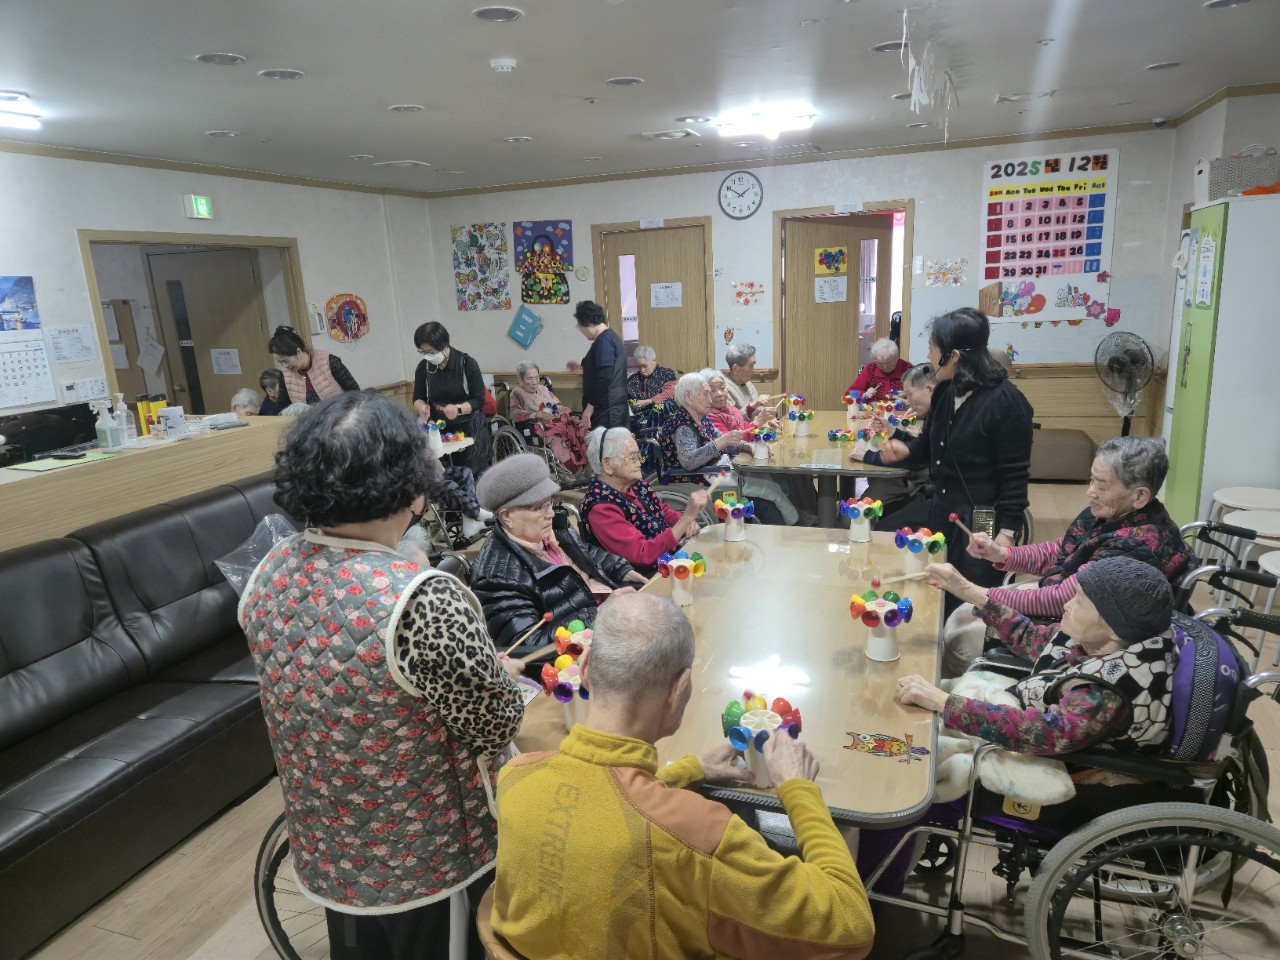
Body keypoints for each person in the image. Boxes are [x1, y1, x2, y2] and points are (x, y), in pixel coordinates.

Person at [238, 391, 524, 960]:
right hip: (425, 852)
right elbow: (495, 723)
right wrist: (495, 672)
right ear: (412, 489)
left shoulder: (270, 569)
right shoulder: (422, 597)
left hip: (327, 837)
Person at [491, 592, 876, 959]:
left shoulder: (516, 778)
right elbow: (850, 924)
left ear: (586, 668)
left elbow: (605, 803)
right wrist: (799, 789)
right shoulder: (698, 835)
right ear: (680, 689)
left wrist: (689, 770)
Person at [859, 555, 1179, 900]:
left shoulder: (1104, 694)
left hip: (1055, 767)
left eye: (1080, 601)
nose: (1066, 604)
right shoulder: (1109, 644)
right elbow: (1033, 638)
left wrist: (944, 703)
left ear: (1113, 626)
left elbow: (1040, 734)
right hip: (1030, 719)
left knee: (897, 791)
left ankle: (872, 896)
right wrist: (967, 591)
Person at [942, 436, 1196, 675]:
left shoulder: (1136, 547)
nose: (1090, 491)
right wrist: (1002, 553)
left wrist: (972, 591)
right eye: (1092, 479)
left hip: (1083, 632)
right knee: (962, 615)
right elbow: (1061, 550)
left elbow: (1063, 599)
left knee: (959, 639)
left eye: (1102, 484)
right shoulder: (1110, 513)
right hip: (1068, 604)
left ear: (1139, 496)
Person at [849, 308, 1034, 615]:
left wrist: (1007, 533)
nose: (929, 356)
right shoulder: (947, 390)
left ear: (954, 356)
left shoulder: (1007, 403)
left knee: (971, 601)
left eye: (932, 348)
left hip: (982, 517)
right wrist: (905, 450)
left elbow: (1015, 476)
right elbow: (928, 447)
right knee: (937, 587)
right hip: (943, 508)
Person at [470, 453, 647, 664]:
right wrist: (598, 616)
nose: (551, 513)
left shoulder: (550, 530)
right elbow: (527, 646)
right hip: (579, 658)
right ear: (507, 516)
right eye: (539, 507)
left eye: (550, 501)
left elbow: (585, 552)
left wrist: (621, 568)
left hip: (609, 625)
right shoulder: (497, 576)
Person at [579, 426, 710, 570]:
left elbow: (662, 511)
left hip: (671, 558)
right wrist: (686, 519)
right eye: (632, 458)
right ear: (607, 464)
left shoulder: (635, 485)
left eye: (638, 456)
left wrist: (684, 523)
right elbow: (642, 553)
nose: (639, 463)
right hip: (648, 575)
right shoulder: (600, 507)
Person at [700, 368, 800, 525]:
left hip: (743, 463)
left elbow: (744, 427)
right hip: (731, 468)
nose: (719, 394)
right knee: (774, 488)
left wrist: (762, 425)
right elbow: (731, 441)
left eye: (722, 388)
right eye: (713, 390)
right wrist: (758, 423)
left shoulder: (730, 408)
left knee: (783, 479)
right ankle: (794, 525)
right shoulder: (710, 415)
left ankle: (796, 520)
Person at [411, 321, 490, 473]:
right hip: (440, 431)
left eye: (431, 352)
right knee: (445, 475)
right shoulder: (424, 367)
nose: (428, 356)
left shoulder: (467, 364)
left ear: (444, 345)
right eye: (423, 352)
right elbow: (417, 397)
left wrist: (458, 409)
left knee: (471, 474)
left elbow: (479, 400)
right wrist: (421, 406)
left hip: (469, 429)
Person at [509, 360, 588, 475]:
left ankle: (585, 464)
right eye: (530, 379)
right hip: (538, 426)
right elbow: (514, 414)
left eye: (537, 378)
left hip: (557, 420)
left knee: (581, 428)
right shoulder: (517, 393)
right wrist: (536, 414)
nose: (534, 382)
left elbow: (557, 405)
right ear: (520, 380)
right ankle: (572, 469)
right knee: (557, 437)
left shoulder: (544, 390)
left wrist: (563, 410)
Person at [572, 300, 629, 429]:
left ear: (586, 323)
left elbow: (604, 376)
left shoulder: (604, 341)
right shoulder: (610, 337)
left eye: (580, 326)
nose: (581, 331)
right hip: (612, 408)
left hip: (607, 411)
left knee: (607, 441)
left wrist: (589, 407)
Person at [268, 325, 360, 405]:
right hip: (309, 418)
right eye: (280, 362)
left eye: (285, 361)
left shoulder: (329, 361)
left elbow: (355, 392)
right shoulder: (285, 376)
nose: (284, 366)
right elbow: (282, 407)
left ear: (298, 352)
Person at [846, 337, 912, 401]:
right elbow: (849, 393)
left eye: (889, 363)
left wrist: (907, 394)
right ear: (875, 359)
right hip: (872, 408)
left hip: (900, 408)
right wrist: (864, 394)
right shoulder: (871, 369)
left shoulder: (908, 369)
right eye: (880, 363)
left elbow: (917, 395)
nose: (885, 367)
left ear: (897, 357)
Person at [626, 344, 677, 420]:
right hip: (638, 416)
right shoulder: (633, 379)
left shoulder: (666, 374)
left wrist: (648, 401)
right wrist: (634, 403)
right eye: (639, 367)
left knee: (665, 404)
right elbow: (626, 398)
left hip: (659, 415)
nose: (642, 370)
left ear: (653, 361)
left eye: (645, 366)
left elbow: (669, 393)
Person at [724, 342, 771, 415]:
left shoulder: (748, 384)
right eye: (751, 365)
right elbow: (732, 418)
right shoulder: (723, 389)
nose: (754, 370)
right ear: (736, 368)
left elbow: (758, 410)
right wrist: (754, 405)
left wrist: (768, 415)